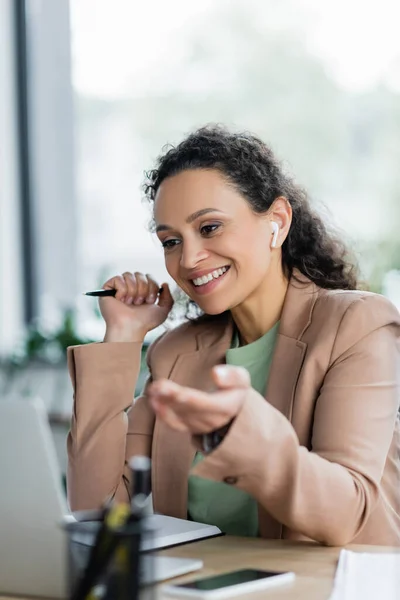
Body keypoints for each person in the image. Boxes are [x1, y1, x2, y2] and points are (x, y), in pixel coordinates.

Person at [67, 125, 400, 546]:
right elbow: (97, 512)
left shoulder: (357, 325)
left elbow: (346, 514)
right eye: (171, 240)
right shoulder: (176, 354)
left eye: (209, 228)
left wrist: (245, 436)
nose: (188, 259)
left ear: (276, 222)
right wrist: (122, 336)